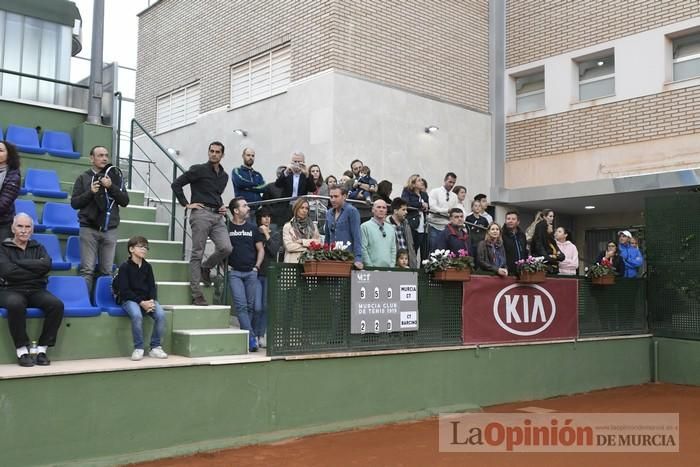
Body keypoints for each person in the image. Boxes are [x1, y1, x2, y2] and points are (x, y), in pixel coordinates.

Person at [172, 141, 233, 306]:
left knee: (226, 247)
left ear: (222, 155)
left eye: (217, 152)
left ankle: (206, 268)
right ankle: (196, 294)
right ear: (208, 152)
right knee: (197, 253)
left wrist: (220, 206)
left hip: (217, 216)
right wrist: (186, 204)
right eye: (211, 151)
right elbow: (176, 184)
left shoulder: (224, 176)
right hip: (201, 214)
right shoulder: (198, 169)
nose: (214, 154)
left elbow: (215, 193)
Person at [0, 213, 64, 367]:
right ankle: (22, 350)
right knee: (16, 304)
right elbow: (8, 271)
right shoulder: (3, 248)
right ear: (13, 228)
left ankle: (41, 349)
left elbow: (46, 266)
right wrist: (34, 268)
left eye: (27, 226)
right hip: (9, 289)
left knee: (56, 305)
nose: (23, 230)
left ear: (32, 229)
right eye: (20, 226)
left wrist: (18, 263)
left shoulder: (38, 247)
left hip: (35, 289)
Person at [71, 145, 130, 293]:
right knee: (87, 270)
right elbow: (75, 203)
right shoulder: (83, 178)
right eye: (100, 155)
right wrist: (90, 192)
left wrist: (111, 187)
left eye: (106, 155)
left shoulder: (115, 177)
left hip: (110, 230)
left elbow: (125, 201)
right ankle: (84, 302)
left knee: (107, 271)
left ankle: (103, 302)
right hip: (88, 229)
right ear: (92, 158)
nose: (104, 158)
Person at [116, 236, 168, 361]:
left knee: (161, 315)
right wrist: (141, 302)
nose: (144, 249)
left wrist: (151, 300)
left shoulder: (148, 266)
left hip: (146, 300)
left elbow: (152, 286)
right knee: (137, 315)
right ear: (131, 249)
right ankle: (138, 348)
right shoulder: (124, 267)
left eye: (146, 247)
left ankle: (155, 347)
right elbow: (124, 291)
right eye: (141, 246)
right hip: (129, 299)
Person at [227, 197, 264, 352]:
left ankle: (247, 338)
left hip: (251, 272)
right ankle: (251, 338)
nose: (248, 208)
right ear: (236, 210)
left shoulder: (252, 228)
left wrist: (256, 267)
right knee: (241, 306)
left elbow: (260, 249)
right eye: (244, 206)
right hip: (234, 272)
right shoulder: (226, 227)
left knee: (251, 307)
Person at [255, 208, 281, 348]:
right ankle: (254, 334)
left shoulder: (275, 234)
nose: (266, 219)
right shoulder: (254, 233)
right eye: (264, 217)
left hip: (269, 274)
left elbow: (274, 249)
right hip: (257, 274)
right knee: (256, 307)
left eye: (268, 216)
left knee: (265, 306)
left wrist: (266, 234)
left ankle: (261, 335)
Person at [324, 186, 363, 269]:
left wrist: (358, 258)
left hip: (347, 258)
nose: (333, 200)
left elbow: (357, 236)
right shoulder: (328, 213)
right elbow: (327, 237)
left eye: (336, 196)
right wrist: (325, 255)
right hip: (331, 257)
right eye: (331, 197)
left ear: (344, 196)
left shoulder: (352, 211)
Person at [283, 197, 321, 263]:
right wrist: (309, 246)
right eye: (302, 208)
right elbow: (289, 247)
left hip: (309, 261)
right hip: (293, 262)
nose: (304, 210)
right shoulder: (288, 226)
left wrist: (302, 241)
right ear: (296, 209)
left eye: (306, 208)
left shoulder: (313, 226)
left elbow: (318, 243)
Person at [361, 199, 396, 267]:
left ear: (386, 211)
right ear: (373, 210)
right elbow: (363, 248)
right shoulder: (364, 226)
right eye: (378, 207)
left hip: (388, 270)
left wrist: (392, 267)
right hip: (371, 270)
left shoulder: (391, 228)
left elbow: (393, 249)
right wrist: (370, 267)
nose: (381, 210)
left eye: (384, 208)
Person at [428, 172, 458, 251]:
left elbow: (454, 212)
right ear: (445, 180)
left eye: (453, 183)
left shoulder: (454, 196)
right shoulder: (435, 191)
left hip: (447, 227)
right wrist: (447, 211)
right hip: (435, 225)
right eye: (450, 182)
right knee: (433, 251)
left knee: (446, 251)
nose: (451, 185)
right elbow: (433, 208)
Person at [401, 174, 429, 259]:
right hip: (412, 223)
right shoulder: (407, 192)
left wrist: (426, 207)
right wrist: (421, 204)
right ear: (413, 183)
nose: (422, 182)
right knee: (412, 249)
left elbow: (428, 206)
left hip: (422, 225)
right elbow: (406, 203)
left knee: (422, 251)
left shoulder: (424, 194)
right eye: (419, 180)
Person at [529, 209, 564, 273]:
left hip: (553, 266)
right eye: (550, 216)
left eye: (553, 216)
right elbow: (540, 247)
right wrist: (549, 257)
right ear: (544, 217)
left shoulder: (551, 240)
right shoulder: (541, 226)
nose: (552, 219)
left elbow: (561, 255)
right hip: (544, 267)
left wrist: (555, 256)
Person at [0, 141, 21, 241]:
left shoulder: (13, 174)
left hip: (3, 223)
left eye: (0, 151)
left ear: (9, 155)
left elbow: (4, 203)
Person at [388, 197, 417, 268]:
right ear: (395, 211)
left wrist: (413, 263)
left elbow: (411, 246)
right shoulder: (387, 225)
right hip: (393, 266)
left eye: (406, 209)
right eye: (403, 210)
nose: (406, 212)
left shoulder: (406, 224)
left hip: (407, 264)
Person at [502, 211, 529, 275]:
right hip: (507, 272)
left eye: (513, 219)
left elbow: (525, 251)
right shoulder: (501, 235)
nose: (510, 221)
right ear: (505, 221)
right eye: (508, 219)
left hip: (522, 271)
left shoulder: (522, 235)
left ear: (518, 222)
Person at [263, 165, 289, 231]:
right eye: (280, 173)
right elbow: (265, 203)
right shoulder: (270, 186)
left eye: (284, 173)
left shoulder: (291, 187)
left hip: (288, 217)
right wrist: (272, 212)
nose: (281, 175)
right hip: (274, 219)